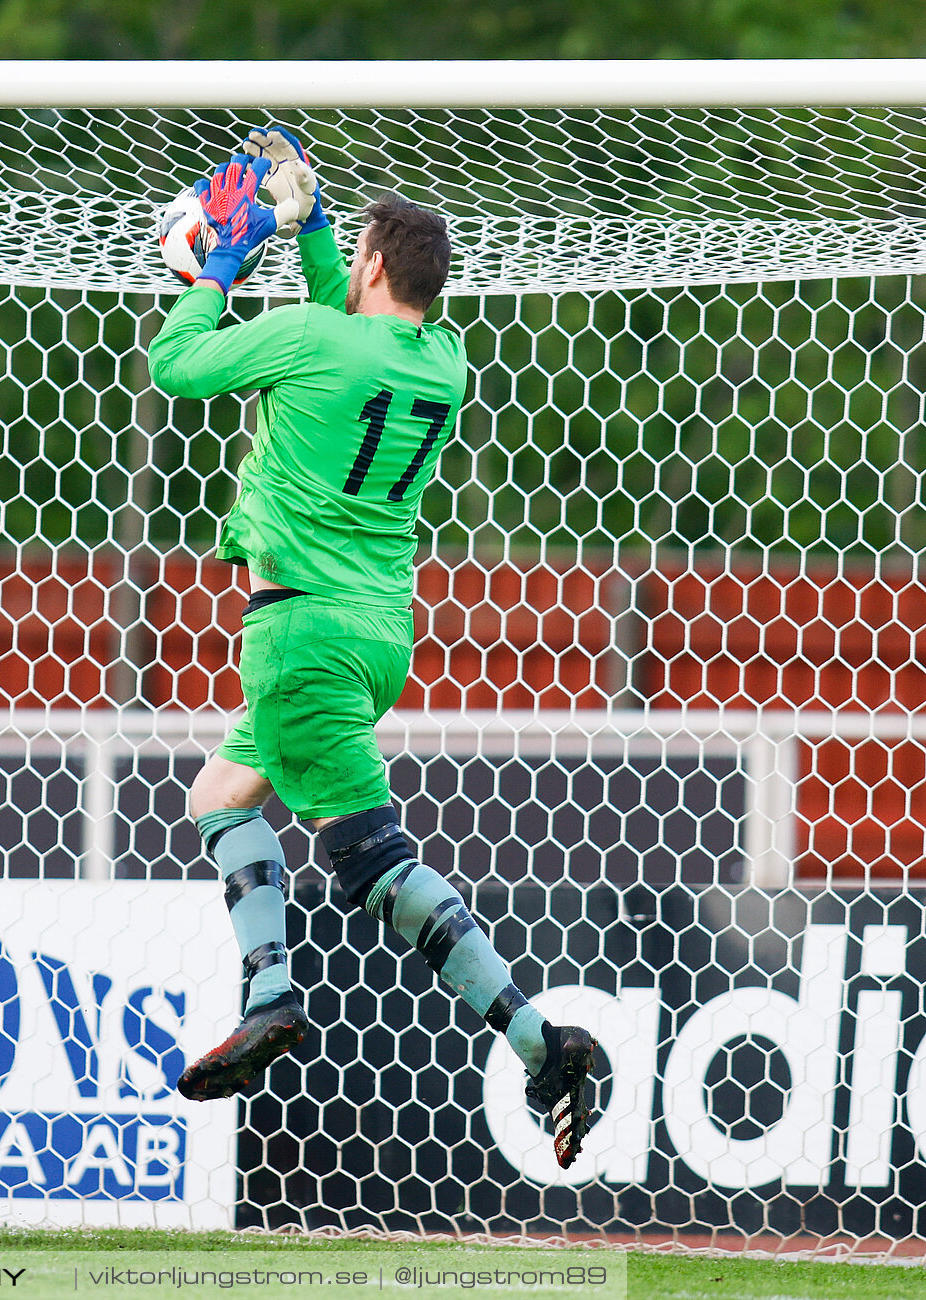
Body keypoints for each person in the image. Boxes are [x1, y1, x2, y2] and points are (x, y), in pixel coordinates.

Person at [147, 131, 598, 1169]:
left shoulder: (310, 338)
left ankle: (542, 1043)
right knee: (220, 793)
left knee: (370, 857)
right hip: (379, 632)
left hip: (296, 630)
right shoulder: (443, 359)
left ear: (375, 265)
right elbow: (345, 326)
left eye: (351, 251)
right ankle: (268, 998)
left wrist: (219, 263)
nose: (341, 265)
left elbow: (177, 363)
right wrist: (311, 230)